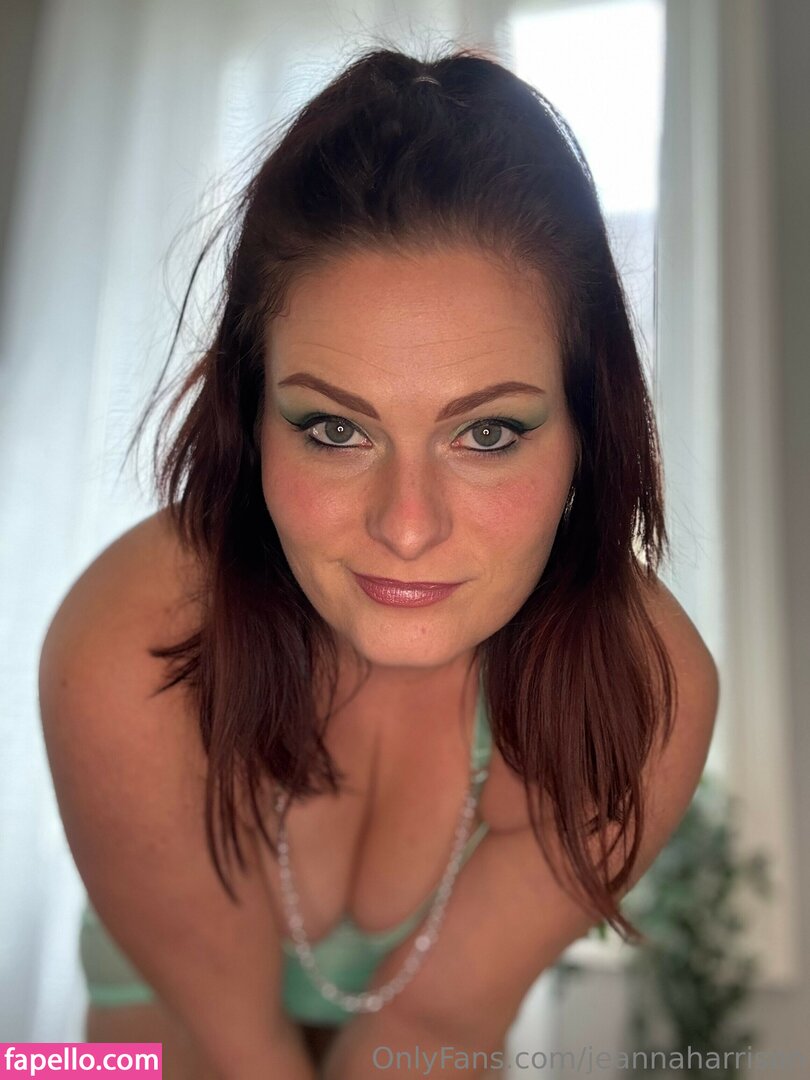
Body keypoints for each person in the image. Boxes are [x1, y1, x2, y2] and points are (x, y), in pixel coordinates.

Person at [38, 43, 719, 1080]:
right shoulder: (129, 642)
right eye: (334, 429)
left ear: (589, 430)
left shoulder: (644, 692)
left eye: (487, 433)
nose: (406, 526)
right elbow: (234, 1046)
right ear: (250, 422)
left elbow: (438, 1029)